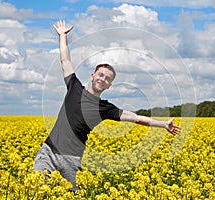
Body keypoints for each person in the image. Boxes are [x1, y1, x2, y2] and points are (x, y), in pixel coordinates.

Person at [33, 20, 181, 191]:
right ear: (92, 75)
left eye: (107, 79)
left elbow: (136, 118)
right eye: (101, 75)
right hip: (48, 151)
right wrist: (63, 36)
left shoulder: (105, 108)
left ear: (109, 85)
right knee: (35, 191)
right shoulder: (74, 87)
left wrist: (163, 124)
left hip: (72, 158)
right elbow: (65, 60)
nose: (103, 79)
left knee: (71, 194)